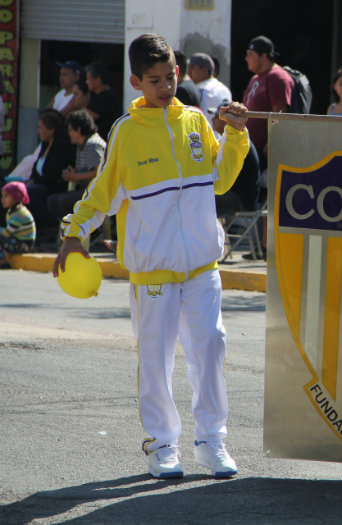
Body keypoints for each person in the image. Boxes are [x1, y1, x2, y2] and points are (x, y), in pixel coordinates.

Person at [52, 33, 249, 480]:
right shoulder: (125, 132)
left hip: (202, 268)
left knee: (211, 349)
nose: (165, 86)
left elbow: (220, 181)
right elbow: (100, 195)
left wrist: (234, 134)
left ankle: (212, 442)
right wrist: (73, 234)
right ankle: (162, 445)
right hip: (153, 275)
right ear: (136, 81)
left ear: (179, 73)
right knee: (156, 362)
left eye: (171, 77)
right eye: (155, 79)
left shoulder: (197, 121)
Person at [25, 109, 75, 243]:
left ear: (51, 129)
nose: (38, 131)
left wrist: (34, 181)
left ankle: (51, 224)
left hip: (54, 186)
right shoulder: (45, 144)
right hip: (40, 184)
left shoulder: (61, 145)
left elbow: (52, 175)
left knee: (27, 194)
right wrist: (31, 179)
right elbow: (36, 167)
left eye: (41, 127)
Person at [243, 35, 293, 166]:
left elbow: (280, 112)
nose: (246, 58)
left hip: (264, 151)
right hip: (248, 147)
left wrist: (271, 142)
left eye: (250, 54)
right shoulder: (255, 78)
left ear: (264, 56)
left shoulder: (277, 77)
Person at [46, 111, 106, 221]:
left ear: (78, 130)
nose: (69, 134)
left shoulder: (93, 145)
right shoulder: (81, 145)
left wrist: (76, 177)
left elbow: (100, 172)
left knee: (63, 201)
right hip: (87, 190)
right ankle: (70, 229)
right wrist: (72, 173)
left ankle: (89, 230)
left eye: (70, 130)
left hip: (98, 194)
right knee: (52, 201)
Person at [211, 101, 261, 217]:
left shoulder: (238, 140)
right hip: (229, 193)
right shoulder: (225, 140)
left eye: (217, 116)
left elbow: (221, 181)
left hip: (242, 200)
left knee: (200, 198)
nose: (213, 118)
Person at [189, 53, 232, 127]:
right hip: (224, 135)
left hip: (207, 135)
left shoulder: (201, 89)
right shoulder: (225, 88)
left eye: (192, 68)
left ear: (205, 70)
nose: (189, 72)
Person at [1, 182, 36, 268]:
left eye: (6, 196)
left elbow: (7, 233)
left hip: (23, 245)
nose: (3, 199)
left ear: (16, 197)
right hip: (16, 241)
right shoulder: (11, 212)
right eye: (2, 196)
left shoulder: (19, 214)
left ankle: (2, 261)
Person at [85, 63, 121, 140]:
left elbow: (84, 118)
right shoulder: (97, 96)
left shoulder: (106, 97)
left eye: (88, 79)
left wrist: (76, 103)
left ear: (98, 80)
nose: (86, 82)